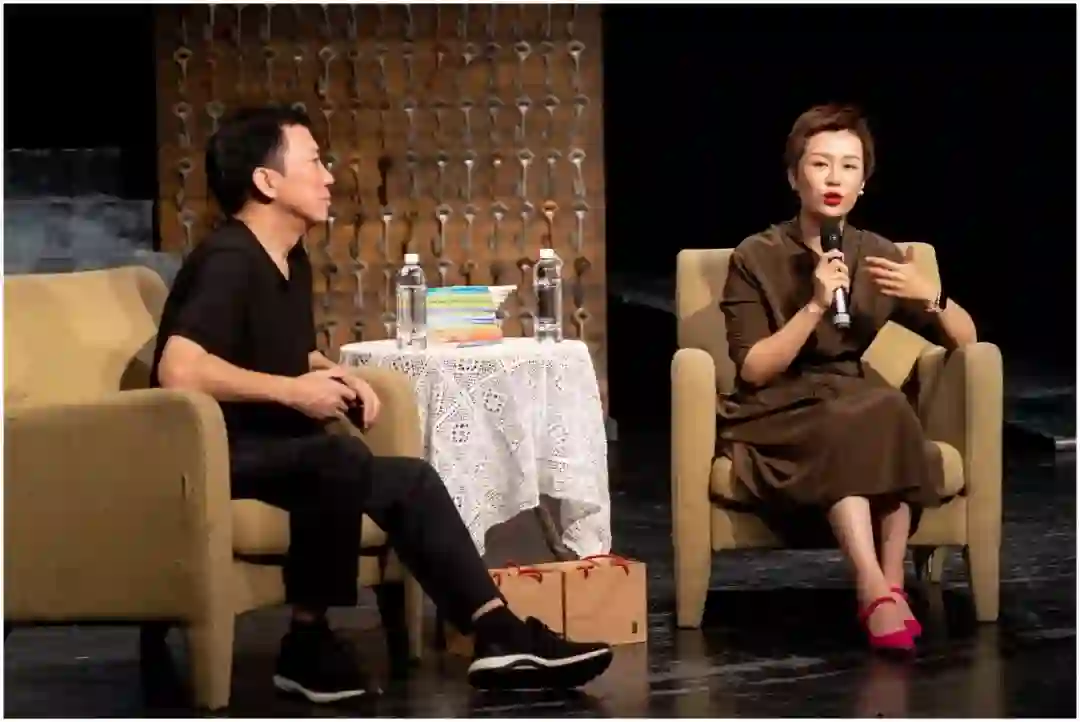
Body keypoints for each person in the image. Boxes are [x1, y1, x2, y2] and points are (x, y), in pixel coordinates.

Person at [150, 105, 612, 703]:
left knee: (410, 479)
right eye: (314, 162)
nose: (330, 177)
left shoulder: (289, 258)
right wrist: (294, 391)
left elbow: (272, 347)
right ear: (266, 181)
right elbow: (180, 368)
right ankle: (306, 642)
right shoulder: (228, 260)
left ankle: (496, 632)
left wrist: (332, 372)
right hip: (218, 453)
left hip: (278, 450)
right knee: (338, 458)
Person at [717, 104, 978, 653]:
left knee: (886, 408)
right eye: (820, 164)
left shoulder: (878, 254)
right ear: (794, 177)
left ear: (863, 183)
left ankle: (890, 584)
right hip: (776, 405)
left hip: (853, 393)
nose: (834, 179)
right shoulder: (755, 256)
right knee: (853, 418)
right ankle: (872, 585)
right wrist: (814, 304)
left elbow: (967, 340)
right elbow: (754, 367)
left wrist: (929, 295)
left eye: (849, 166)